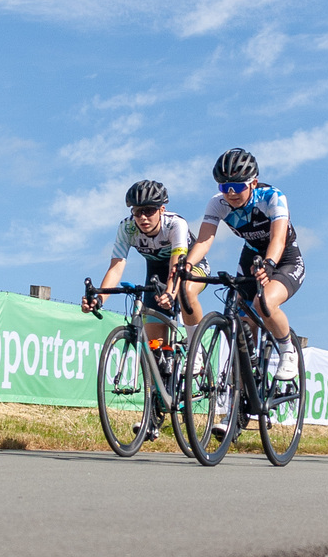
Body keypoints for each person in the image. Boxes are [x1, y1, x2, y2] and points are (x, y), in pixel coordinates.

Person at [184, 148, 303, 386]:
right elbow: (204, 241)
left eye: (237, 187)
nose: (230, 193)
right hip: (250, 257)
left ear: (253, 183)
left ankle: (287, 350)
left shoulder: (272, 197)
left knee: (264, 303)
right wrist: (187, 264)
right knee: (241, 325)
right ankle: (242, 394)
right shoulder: (217, 204)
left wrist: (269, 265)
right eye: (224, 187)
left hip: (284, 258)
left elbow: (278, 239)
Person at [82, 181, 199, 340]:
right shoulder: (127, 228)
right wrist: (99, 299)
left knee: (185, 290)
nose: (143, 217)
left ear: (161, 210)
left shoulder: (175, 224)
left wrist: (171, 292)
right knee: (155, 347)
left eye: (149, 211)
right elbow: (116, 267)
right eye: (137, 212)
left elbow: (176, 264)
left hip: (187, 266)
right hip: (156, 272)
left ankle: (195, 348)